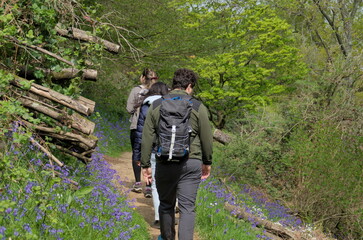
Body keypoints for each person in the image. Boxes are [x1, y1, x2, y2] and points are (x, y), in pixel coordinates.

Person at [141, 68, 213, 240]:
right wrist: (207, 162)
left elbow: (147, 136)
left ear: (173, 84)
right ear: (189, 86)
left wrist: (145, 165)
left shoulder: (157, 105)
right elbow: (207, 138)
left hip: (165, 161)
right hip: (191, 162)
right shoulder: (197, 106)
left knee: (166, 205)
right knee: (187, 208)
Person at [133, 82, 169, 228]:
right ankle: (170, 214)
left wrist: (138, 155)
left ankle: (159, 218)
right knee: (170, 184)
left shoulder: (146, 106)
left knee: (155, 185)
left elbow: (141, 133)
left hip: (154, 150)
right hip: (171, 149)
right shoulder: (171, 104)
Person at [126, 68, 158, 194]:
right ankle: (149, 186)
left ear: (143, 78)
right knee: (151, 155)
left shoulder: (136, 90)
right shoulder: (159, 92)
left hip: (136, 127)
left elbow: (129, 108)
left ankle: (138, 183)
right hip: (153, 130)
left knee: (137, 153)